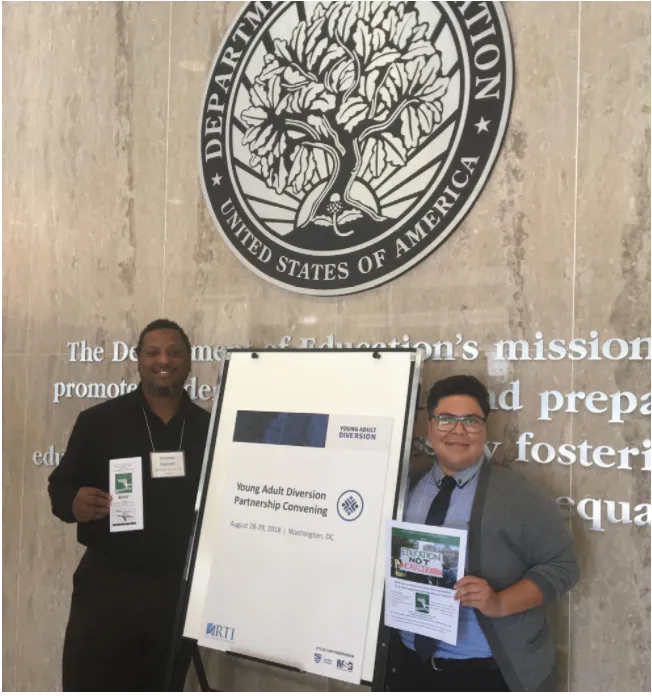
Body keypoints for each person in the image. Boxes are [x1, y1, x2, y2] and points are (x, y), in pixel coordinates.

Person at [388, 375, 579, 692]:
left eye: (471, 421)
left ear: (485, 429)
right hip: (408, 664)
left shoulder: (519, 494)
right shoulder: (403, 489)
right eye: (446, 419)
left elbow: (564, 566)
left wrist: (499, 603)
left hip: (484, 672)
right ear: (430, 426)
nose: (458, 431)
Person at [48, 319, 211, 691]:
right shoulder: (98, 422)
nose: (163, 360)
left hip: (175, 590)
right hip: (108, 586)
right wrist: (73, 502)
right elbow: (60, 486)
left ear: (188, 362)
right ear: (138, 361)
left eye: (174, 352)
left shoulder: (207, 428)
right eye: (153, 352)